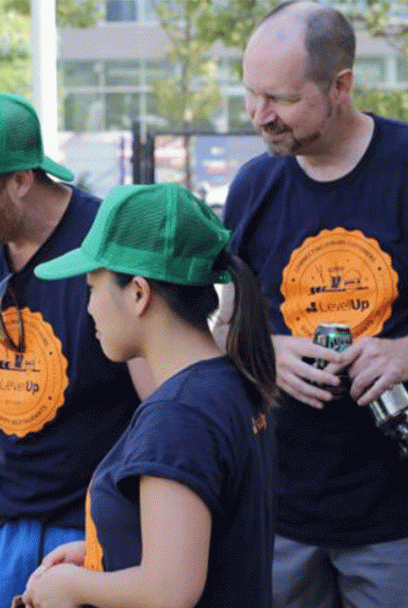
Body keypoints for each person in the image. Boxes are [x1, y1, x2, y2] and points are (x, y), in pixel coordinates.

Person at [0, 91, 153, 608]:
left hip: (98, 523)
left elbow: (163, 408)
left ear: (20, 180)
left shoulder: (107, 246)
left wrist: (140, 533)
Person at [215, 2, 408, 606]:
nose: (260, 115)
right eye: (251, 94)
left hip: (395, 518)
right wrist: (264, 350)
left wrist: (405, 352)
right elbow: (223, 328)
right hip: (281, 512)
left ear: (341, 86)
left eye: (282, 98)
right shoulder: (254, 186)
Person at [17, 183, 276, 608]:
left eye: (92, 288)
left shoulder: (178, 416)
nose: (88, 308)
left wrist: (70, 587)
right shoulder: (225, 385)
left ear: (138, 293)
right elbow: (212, 541)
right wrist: (100, 553)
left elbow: (170, 590)